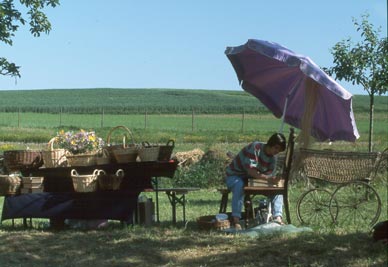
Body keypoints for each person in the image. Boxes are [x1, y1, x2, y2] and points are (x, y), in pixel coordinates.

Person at [225, 133, 287, 230]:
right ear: (270, 144)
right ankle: (236, 220)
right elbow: (251, 170)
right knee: (239, 185)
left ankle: (277, 218)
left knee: (277, 188)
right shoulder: (256, 148)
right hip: (235, 175)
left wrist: (274, 180)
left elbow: (267, 175)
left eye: (279, 150)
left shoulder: (272, 158)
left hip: (251, 179)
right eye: (276, 148)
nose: (277, 151)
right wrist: (268, 179)